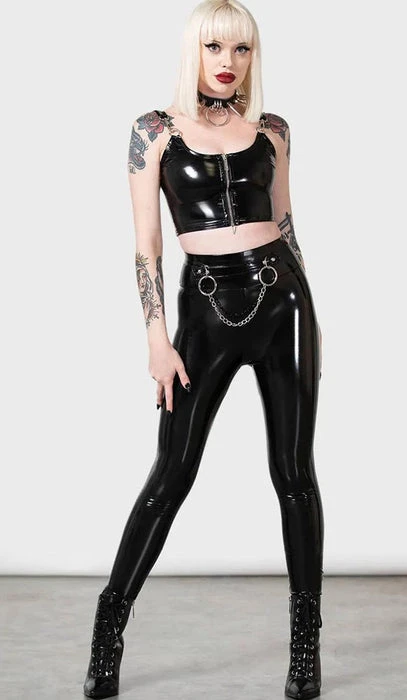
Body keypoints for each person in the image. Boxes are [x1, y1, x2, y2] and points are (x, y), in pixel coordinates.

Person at [83, 1, 324, 698]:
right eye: (216, 47)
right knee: (172, 474)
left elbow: (286, 222)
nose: (228, 62)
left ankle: (305, 648)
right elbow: (147, 245)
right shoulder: (154, 130)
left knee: (295, 474)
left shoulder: (273, 130)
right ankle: (108, 630)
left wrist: (310, 312)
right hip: (206, 309)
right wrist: (157, 337)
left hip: (284, 301)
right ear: (195, 50)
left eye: (242, 49)